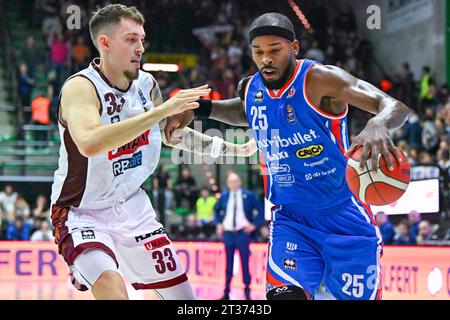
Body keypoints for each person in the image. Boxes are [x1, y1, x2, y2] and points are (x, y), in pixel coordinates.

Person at [166, 12, 411, 300]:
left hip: (343, 216)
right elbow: (245, 110)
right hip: (290, 219)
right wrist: (199, 109)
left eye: (274, 51)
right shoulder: (250, 87)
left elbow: (394, 105)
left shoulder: (320, 79)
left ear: (294, 47)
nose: (265, 59)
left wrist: (378, 122)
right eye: (258, 52)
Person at [50, 3, 255, 301]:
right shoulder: (80, 88)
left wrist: (235, 149)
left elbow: (170, 135)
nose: (140, 48)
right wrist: (161, 111)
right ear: (105, 43)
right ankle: (85, 262)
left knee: (185, 301)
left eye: (142, 39)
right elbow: (90, 142)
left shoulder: (146, 85)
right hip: (82, 211)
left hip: (133, 208)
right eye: (131, 39)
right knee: (111, 286)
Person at [214, 172, 264, 300]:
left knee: (245, 262)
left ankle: (247, 292)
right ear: (228, 183)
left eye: (236, 181)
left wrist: (254, 225)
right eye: (231, 181)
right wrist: (219, 223)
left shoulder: (249, 195)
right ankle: (226, 292)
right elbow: (216, 210)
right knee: (228, 264)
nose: (233, 184)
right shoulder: (224, 196)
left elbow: (261, 211)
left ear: (240, 182)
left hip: (243, 233)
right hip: (228, 234)